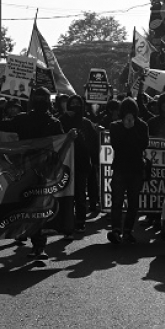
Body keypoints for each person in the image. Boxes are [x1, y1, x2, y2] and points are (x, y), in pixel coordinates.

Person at [1, 87, 64, 258]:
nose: (41, 102)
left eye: (43, 99)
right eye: (38, 98)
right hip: (24, 169)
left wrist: (70, 138)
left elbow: (60, 144)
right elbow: (3, 131)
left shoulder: (53, 123)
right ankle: (25, 233)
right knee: (24, 204)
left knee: (38, 207)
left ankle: (38, 244)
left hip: (42, 171)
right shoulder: (22, 120)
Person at [107, 98, 149, 244]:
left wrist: (133, 130)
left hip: (136, 168)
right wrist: (126, 129)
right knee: (117, 201)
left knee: (133, 202)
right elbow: (116, 145)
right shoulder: (115, 126)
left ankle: (128, 231)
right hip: (120, 168)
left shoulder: (142, 126)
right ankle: (116, 230)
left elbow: (144, 145)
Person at [59, 95, 99, 233]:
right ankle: (66, 221)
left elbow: (93, 143)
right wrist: (65, 118)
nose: (75, 106)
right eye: (72, 103)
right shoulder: (62, 120)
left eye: (78, 103)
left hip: (82, 163)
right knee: (65, 194)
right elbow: (57, 137)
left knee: (80, 194)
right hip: (65, 162)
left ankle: (80, 220)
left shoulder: (86, 123)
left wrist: (94, 161)